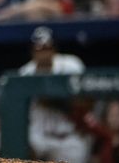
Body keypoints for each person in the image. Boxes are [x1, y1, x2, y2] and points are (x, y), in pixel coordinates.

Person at [18, 26, 91, 163]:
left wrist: (56, 99)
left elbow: (88, 100)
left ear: (54, 49)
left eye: (47, 48)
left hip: (67, 136)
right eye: (39, 49)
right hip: (39, 137)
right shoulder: (25, 73)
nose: (44, 54)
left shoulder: (71, 65)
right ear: (32, 52)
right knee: (23, 144)